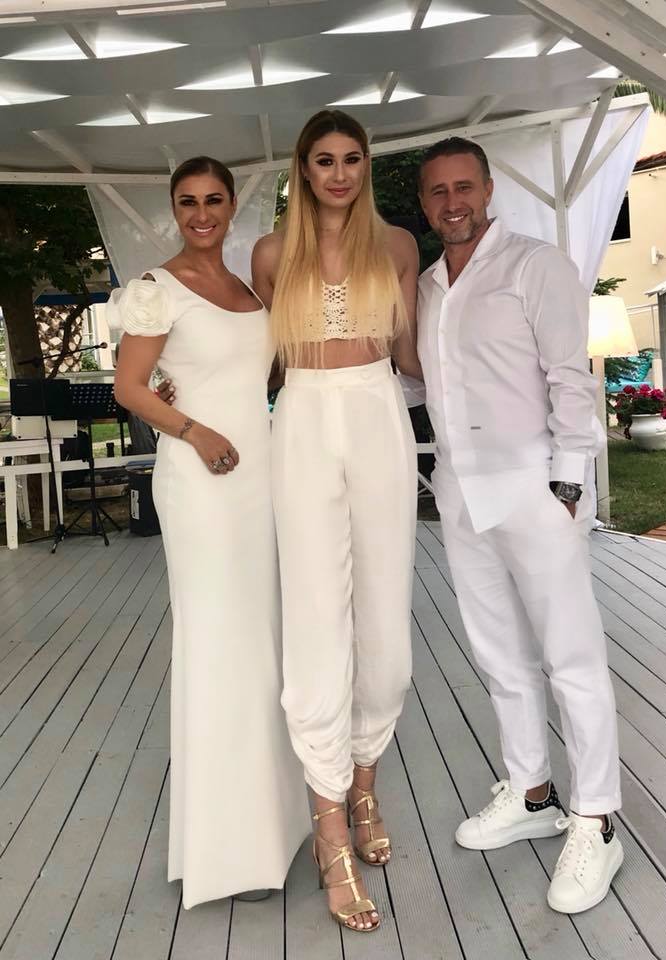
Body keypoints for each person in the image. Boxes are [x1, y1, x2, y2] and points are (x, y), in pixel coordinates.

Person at [416, 137, 623, 915]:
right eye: (438, 191)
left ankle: (597, 821)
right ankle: (534, 793)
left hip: (535, 489)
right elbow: (424, 380)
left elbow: (571, 377)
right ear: (425, 202)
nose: (453, 203)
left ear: (488, 189)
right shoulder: (428, 286)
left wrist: (567, 483)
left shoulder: (535, 265)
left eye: (463, 186)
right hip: (462, 496)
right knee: (499, 655)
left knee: (571, 658)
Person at [112, 156, 310, 910]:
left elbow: (257, 372)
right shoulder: (155, 290)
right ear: (174, 210)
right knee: (220, 645)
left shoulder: (248, 290)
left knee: (261, 642)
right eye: (188, 202)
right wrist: (194, 430)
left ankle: (276, 826)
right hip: (202, 482)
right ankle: (229, 853)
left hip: (259, 480)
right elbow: (131, 387)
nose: (201, 214)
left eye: (214, 200)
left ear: (231, 209)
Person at [252, 110, 421, 933]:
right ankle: (329, 832)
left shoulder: (397, 247)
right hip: (303, 422)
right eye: (325, 160)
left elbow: (417, 355)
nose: (340, 173)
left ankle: (364, 786)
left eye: (353, 158)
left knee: (385, 630)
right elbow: (256, 360)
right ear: (304, 168)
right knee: (316, 621)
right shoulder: (270, 255)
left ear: (366, 165)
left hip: (379, 414)